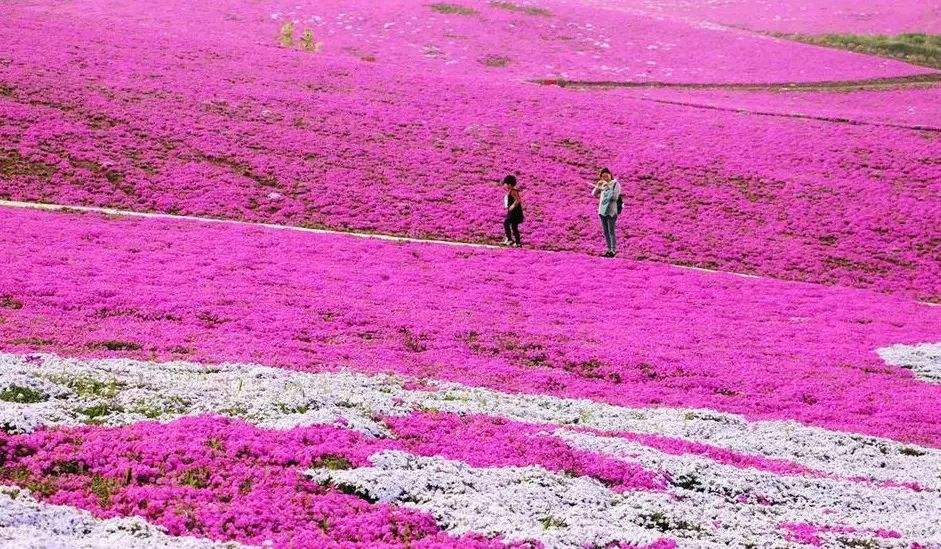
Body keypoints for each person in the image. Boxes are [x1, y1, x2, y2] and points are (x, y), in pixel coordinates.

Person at [592, 167, 621, 257]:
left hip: (611, 211)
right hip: (602, 211)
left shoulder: (615, 184)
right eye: (603, 177)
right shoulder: (603, 184)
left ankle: (613, 250)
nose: (605, 178)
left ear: (610, 175)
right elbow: (593, 194)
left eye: (607, 175)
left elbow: (615, 197)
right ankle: (608, 249)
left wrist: (608, 187)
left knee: (611, 231)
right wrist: (598, 186)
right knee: (605, 232)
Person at [502, 174, 523, 247]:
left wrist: (512, 207)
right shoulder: (511, 190)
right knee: (514, 227)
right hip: (514, 212)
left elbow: (518, 200)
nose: (504, 185)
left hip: (515, 212)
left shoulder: (513, 191)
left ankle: (510, 239)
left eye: (505, 184)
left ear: (509, 184)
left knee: (506, 223)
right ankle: (518, 243)